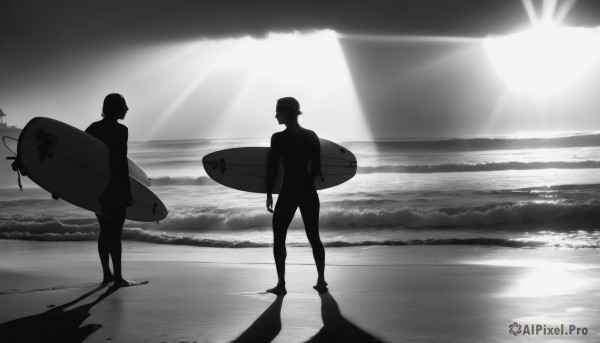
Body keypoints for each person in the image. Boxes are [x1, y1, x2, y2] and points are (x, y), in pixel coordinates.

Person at [266, 97, 327, 296]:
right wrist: (306, 183)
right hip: (308, 191)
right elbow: (316, 168)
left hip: (289, 191)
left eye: (278, 112)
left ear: (285, 113)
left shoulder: (278, 138)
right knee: (314, 236)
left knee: (279, 237)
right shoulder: (311, 136)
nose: (275, 115)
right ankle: (321, 280)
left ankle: (281, 284)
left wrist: (268, 193)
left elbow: (273, 168)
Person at [85, 93, 134, 288]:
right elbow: (120, 162)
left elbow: (79, 155)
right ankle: (118, 278)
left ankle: (107, 275)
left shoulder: (93, 129)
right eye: (123, 105)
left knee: (105, 231)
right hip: (115, 187)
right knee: (115, 233)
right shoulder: (122, 130)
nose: (126, 109)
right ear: (114, 108)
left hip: (98, 187)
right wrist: (127, 189)